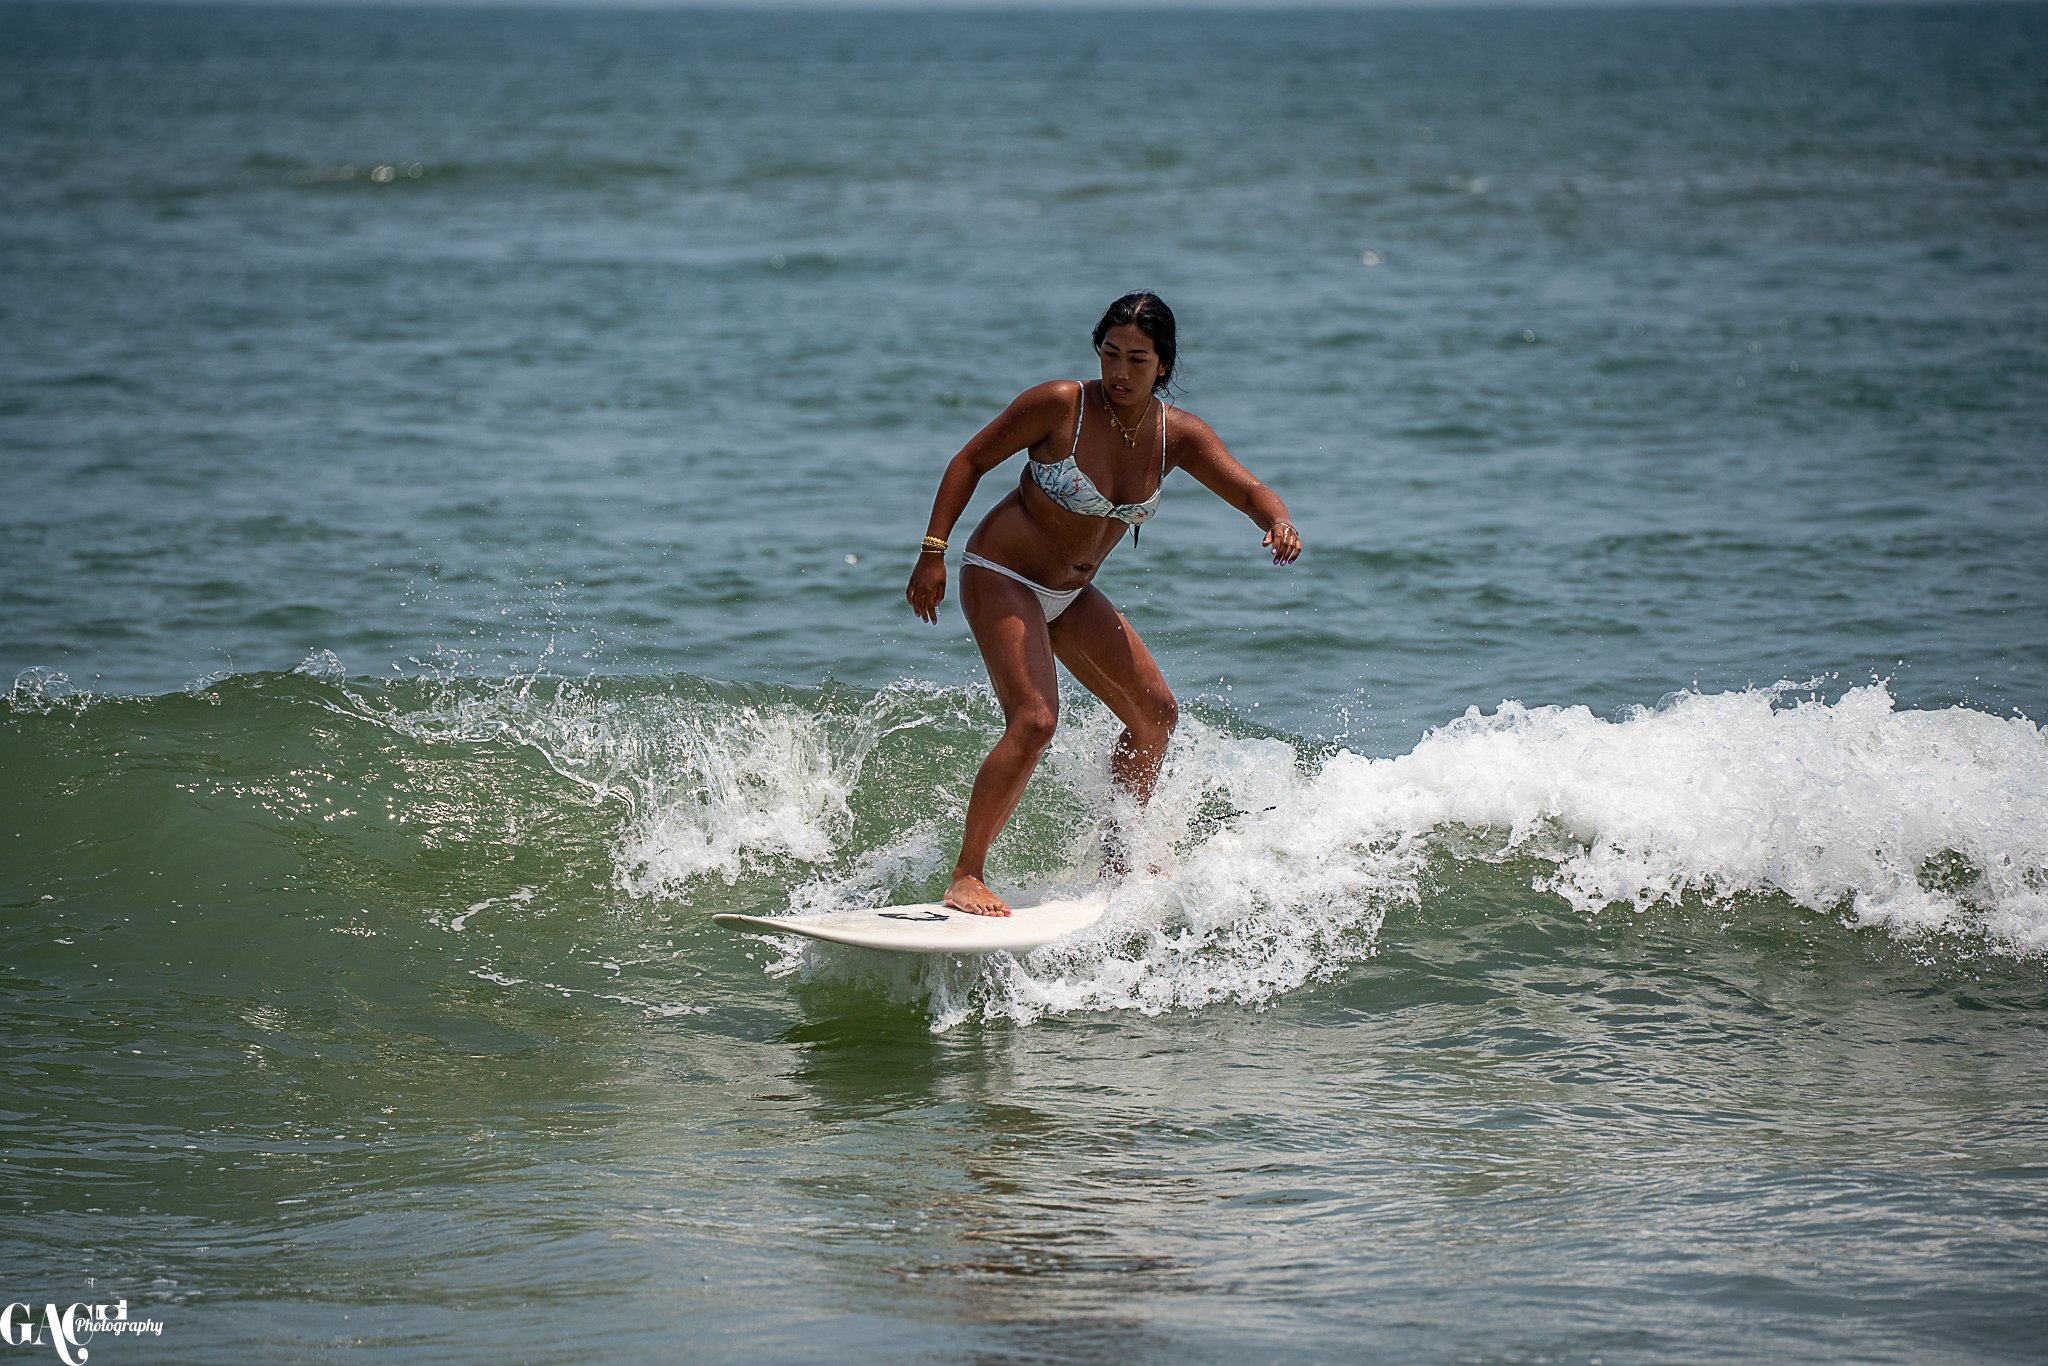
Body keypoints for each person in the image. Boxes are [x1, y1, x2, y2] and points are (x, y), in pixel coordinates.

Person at [905, 292, 1302, 917]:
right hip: (1002, 574)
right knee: (1035, 719)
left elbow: (1248, 488)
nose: (1119, 372)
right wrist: (933, 550)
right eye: (1110, 354)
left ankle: (1120, 857)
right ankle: (966, 874)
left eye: (1137, 360)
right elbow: (970, 460)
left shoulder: (1178, 437)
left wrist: (1278, 520)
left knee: (1156, 716)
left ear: (1163, 365)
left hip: (1071, 593)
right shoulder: (1062, 406)